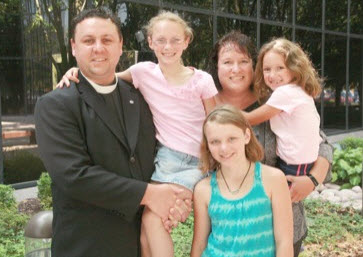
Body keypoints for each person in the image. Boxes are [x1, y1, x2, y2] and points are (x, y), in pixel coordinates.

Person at [55, 10, 217, 257]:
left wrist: (213, 166)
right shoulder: (142, 72)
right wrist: (74, 72)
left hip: (193, 161)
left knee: (154, 221)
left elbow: (217, 123)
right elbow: (106, 79)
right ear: (150, 42)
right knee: (144, 233)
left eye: (175, 40)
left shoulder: (202, 81)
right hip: (164, 161)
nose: (168, 46)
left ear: (186, 41)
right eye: (161, 40)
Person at [207, 31, 333, 257]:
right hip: (225, 232)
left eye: (244, 61)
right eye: (227, 62)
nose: (236, 69)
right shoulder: (204, 103)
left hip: (281, 231)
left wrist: (313, 179)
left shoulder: (273, 101)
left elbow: (322, 142)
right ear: (216, 66)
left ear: (254, 67)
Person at [191, 104, 293, 257]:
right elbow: (199, 245)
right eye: (215, 142)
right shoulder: (203, 189)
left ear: (246, 136)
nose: (224, 148)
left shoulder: (273, 179)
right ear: (208, 145)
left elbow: (284, 241)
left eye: (231, 139)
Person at [242, 38, 322, 186]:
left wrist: (218, 109)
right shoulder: (298, 90)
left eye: (280, 68)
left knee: (284, 202)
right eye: (267, 69)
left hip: (294, 165)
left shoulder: (286, 93)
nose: (272, 75)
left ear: (294, 68)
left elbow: (250, 119)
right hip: (299, 162)